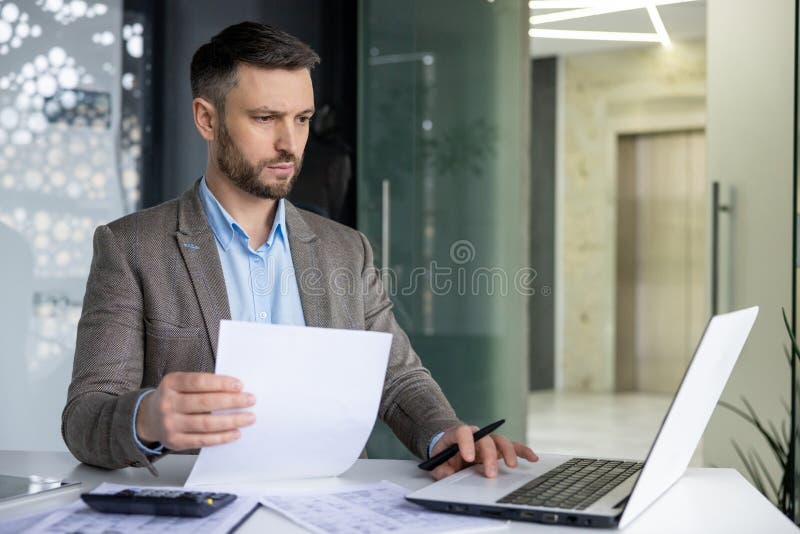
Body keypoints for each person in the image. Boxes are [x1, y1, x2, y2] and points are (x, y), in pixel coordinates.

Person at [61, 21, 537, 480]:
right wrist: (147, 417)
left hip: (333, 509)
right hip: (199, 509)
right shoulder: (131, 248)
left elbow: (397, 380)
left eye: (302, 119)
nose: (290, 143)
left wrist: (446, 439)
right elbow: (85, 417)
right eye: (265, 118)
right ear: (207, 119)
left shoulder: (347, 250)